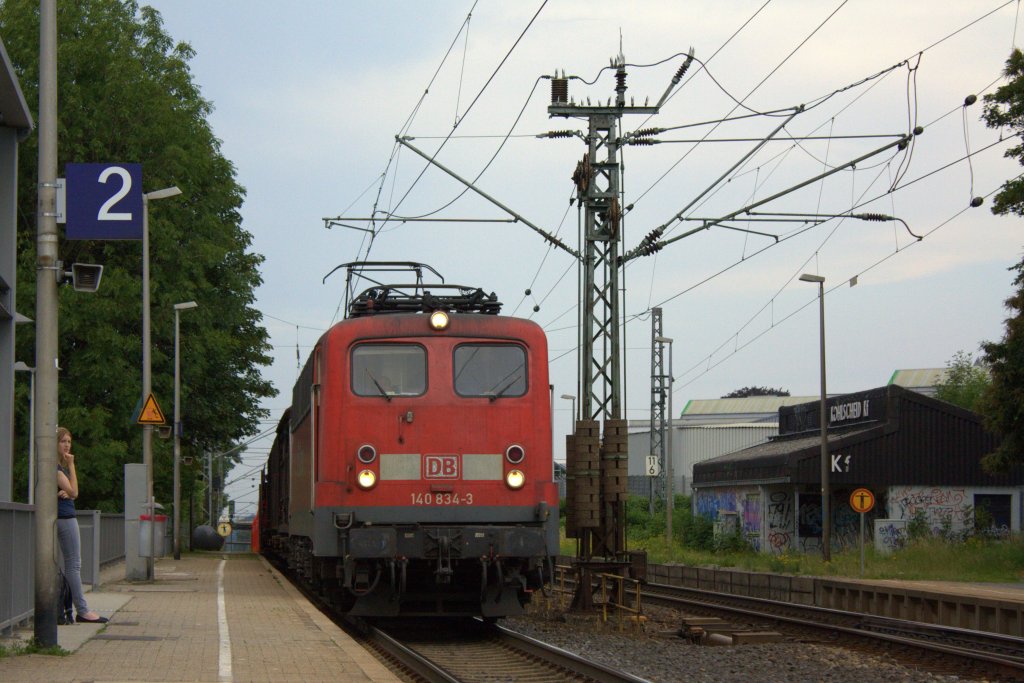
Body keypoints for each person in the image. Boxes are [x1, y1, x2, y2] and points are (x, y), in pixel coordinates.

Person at [56, 427, 108, 624]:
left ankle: (75, 608)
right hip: (65, 517)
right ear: (55, 444)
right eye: (63, 441)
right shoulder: (57, 469)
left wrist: (69, 491)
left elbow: (71, 492)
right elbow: (75, 492)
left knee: (72, 563)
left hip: (64, 516)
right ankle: (83, 610)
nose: (67, 445)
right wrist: (72, 465)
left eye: (69, 441)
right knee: (74, 563)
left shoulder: (58, 468)